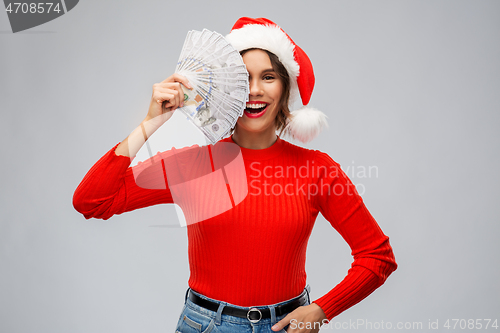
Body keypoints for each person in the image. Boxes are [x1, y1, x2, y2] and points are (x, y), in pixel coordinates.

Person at [73, 17, 397, 333]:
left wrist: (322, 310)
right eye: (243, 78)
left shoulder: (318, 170)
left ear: (285, 89)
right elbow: (92, 202)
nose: (254, 90)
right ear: (226, 88)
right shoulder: (192, 166)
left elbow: (377, 256)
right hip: (206, 325)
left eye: (268, 77)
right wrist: (149, 123)